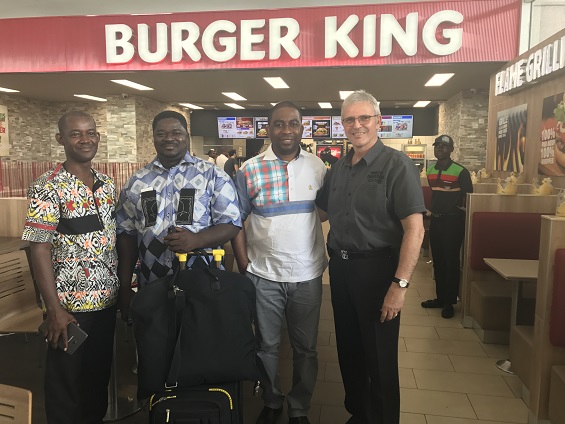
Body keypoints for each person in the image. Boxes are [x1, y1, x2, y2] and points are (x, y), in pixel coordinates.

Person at [316, 90, 425, 424]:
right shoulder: (338, 168)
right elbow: (320, 211)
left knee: (378, 356)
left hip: (379, 272)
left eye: (364, 118)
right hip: (342, 269)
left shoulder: (397, 165)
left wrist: (400, 285)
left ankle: (382, 418)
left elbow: (415, 230)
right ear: (342, 125)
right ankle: (359, 413)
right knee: (349, 350)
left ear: (378, 122)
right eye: (350, 119)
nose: (357, 125)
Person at [232, 101, 327, 424]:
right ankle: (272, 400)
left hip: (308, 274)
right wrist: (244, 264)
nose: (286, 130)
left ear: (302, 128)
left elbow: (325, 212)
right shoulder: (249, 169)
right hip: (264, 275)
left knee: (306, 349)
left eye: (293, 124)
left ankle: (299, 407)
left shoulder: (318, 167)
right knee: (266, 345)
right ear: (268, 128)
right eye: (279, 124)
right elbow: (236, 222)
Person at [22, 111, 120, 424]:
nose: (85, 139)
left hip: (107, 302)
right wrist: (53, 310)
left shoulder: (106, 185)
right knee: (66, 387)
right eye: (75, 134)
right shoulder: (47, 187)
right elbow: (38, 247)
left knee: (96, 380)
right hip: (69, 309)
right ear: (60, 139)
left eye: (90, 132)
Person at [116, 110, 241, 311]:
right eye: (161, 133)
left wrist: (197, 240)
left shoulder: (212, 175)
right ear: (154, 138)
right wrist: (123, 286)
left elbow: (232, 223)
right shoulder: (138, 181)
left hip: (204, 281)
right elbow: (126, 235)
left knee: (200, 340)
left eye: (176, 132)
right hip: (152, 282)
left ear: (187, 136)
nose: (169, 138)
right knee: (156, 341)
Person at [421, 135, 473, 319]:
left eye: (444, 146)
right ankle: (440, 298)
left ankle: (450, 302)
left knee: (451, 263)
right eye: (437, 146)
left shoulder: (461, 171)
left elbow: (468, 198)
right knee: (439, 262)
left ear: (452, 149)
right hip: (436, 221)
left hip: (453, 222)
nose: (440, 149)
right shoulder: (431, 170)